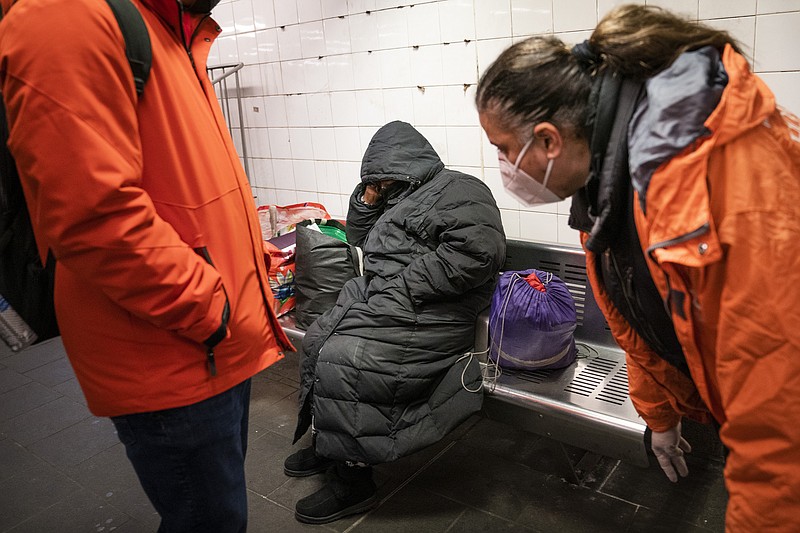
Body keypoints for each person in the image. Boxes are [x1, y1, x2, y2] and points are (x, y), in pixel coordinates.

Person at [474, 4, 800, 532]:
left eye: (504, 149)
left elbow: (779, 413)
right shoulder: (607, 188)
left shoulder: (711, 183)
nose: (505, 167)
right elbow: (634, 321)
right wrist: (659, 414)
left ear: (549, 139)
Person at [0, 1, 293, 531]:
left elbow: (185, 183)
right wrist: (210, 304)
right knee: (209, 521)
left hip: (208, 339)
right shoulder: (68, 16)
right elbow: (92, 215)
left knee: (212, 515)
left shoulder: (172, 31)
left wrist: (250, 254)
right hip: (170, 345)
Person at [284, 120, 506, 524]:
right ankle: (330, 442)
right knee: (318, 338)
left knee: (350, 359)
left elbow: (478, 254)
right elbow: (360, 238)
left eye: (383, 177)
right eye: (375, 179)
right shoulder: (395, 197)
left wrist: (406, 286)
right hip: (386, 297)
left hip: (435, 308)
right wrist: (369, 197)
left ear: (409, 164)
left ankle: (354, 482)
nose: (380, 185)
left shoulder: (460, 189)